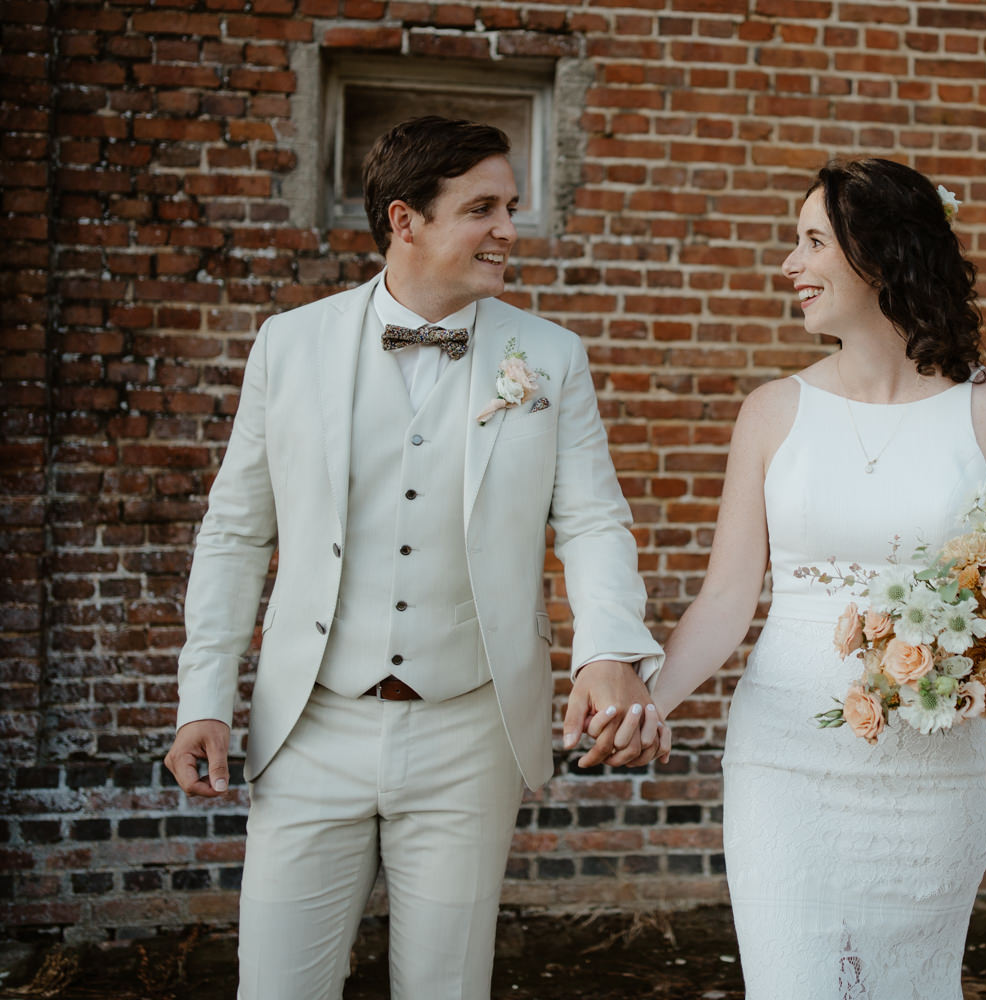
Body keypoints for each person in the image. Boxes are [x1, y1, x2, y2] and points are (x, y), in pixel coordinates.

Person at [162, 115, 667, 1000]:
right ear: (406, 219)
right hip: (311, 724)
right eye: (483, 208)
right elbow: (236, 530)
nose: (509, 229)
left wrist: (608, 650)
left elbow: (593, 522)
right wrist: (203, 695)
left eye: (510, 206)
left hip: (469, 730)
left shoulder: (549, 357)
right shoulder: (290, 343)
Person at [649, 157, 986, 998]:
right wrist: (647, 704)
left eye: (811, 242)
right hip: (784, 761)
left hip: (931, 769)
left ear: (881, 253)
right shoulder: (772, 411)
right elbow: (726, 599)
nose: (789, 265)